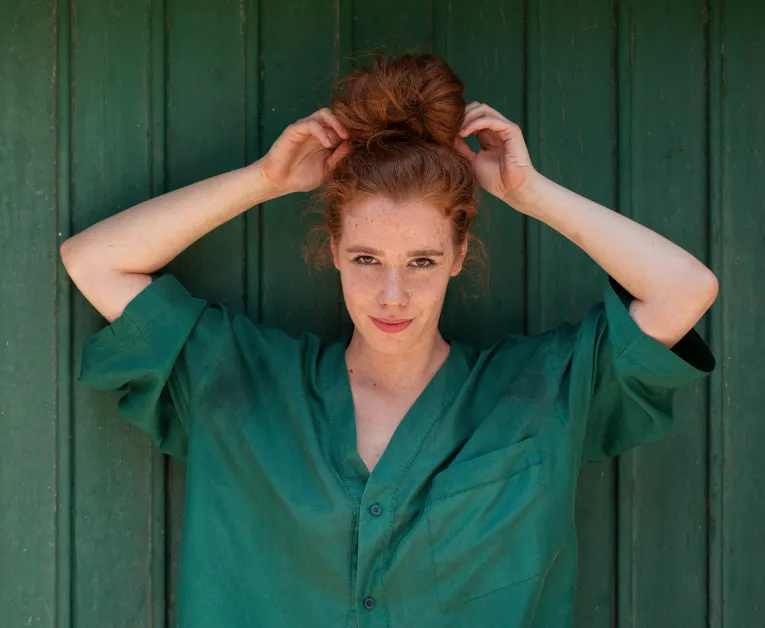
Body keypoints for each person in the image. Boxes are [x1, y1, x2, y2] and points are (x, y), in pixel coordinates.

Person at [60, 53, 717, 627]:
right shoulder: (239, 381)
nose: (393, 295)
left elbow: (684, 292)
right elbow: (95, 260)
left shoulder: (540, 394)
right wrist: (268, 179)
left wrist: (530, 192)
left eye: (423, 261)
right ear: (334, 251)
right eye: (368, 259)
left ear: (460, 254)